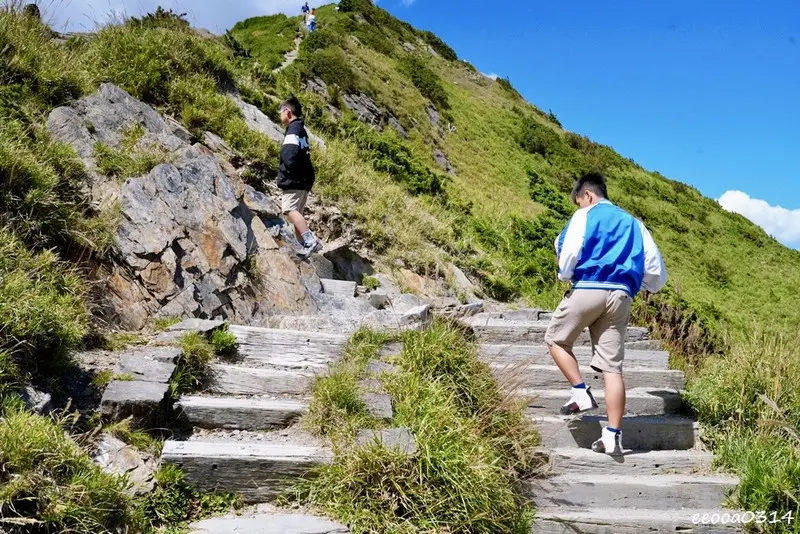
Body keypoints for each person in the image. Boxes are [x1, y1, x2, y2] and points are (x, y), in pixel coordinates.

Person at [544, 172, 667, 456]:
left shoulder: (584, 216)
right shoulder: (635, 223)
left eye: (579, 201)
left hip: (590, 286)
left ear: (587, 195)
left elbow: (569, 252)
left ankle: (580, 392)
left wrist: (565, 274)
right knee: (612, 368)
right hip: (621, 296)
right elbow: (656, 272)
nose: (579, 206)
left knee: (556, 339)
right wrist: (639, 285)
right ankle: (612, 436)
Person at [277, 97, 323, 258]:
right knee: (297, 213)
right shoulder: (301, 130)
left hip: (294, 180)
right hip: (304, 179)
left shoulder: (293, 130)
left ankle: (310, 240)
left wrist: (286, 172)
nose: (280, 115)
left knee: (289, 210)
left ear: (287, 112)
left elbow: (288, 154)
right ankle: (303, 246)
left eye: (280, 112)